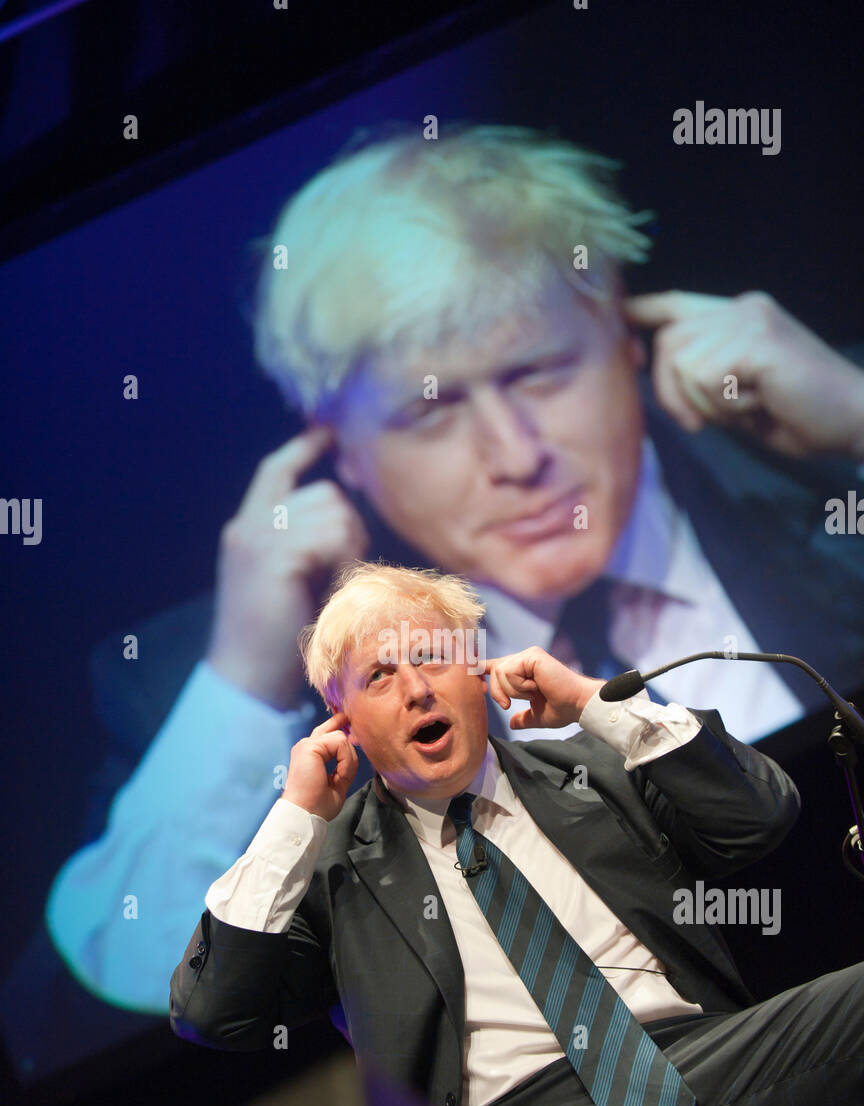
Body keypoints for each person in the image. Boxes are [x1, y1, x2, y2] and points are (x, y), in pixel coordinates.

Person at [29, 124, 864, 1026]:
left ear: (627, 329)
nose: (517, 457)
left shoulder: (828, 457)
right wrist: (242, 685)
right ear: (333, 447)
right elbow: (85, 1025)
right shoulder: (213, 672)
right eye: (431, 413)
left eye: (539, 371)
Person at [170, 561, 864, 1106]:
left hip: (704, 1076)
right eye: (381, 676)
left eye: (433, 659)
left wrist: (598, 705)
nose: (415, 689)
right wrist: (296, 816)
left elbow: (759, 816)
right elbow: (214, 1012)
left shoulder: (599, 769)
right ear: (342, 722)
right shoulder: (331, 872)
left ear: (478, 670)